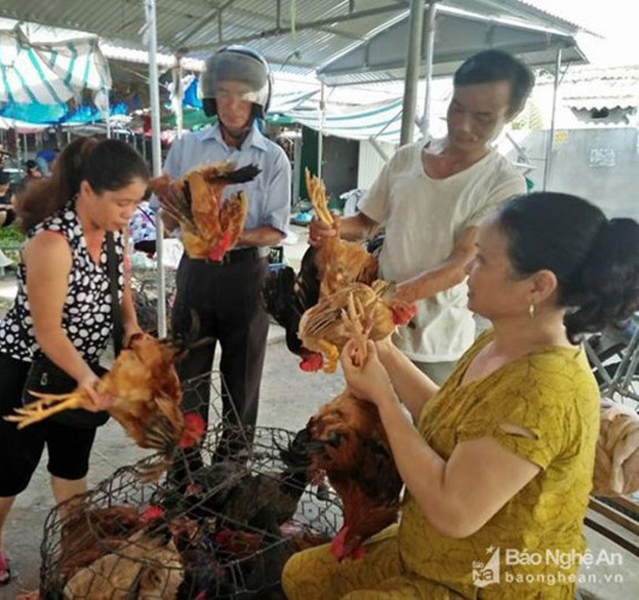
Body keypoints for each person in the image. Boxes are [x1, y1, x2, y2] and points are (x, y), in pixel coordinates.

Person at [283, 192, 639, 599]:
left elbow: (454, 512)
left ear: (538, 285)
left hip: (482, 582)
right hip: (429, 550)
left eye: (483, 260)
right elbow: (448, 416)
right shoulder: (501, 340)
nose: (468, 268)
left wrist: (384, 400)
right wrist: (384, 351)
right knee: (302, 575)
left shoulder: (543, 390)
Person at [0, 137, 147, 584]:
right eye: (122, 202)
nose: (129, 212)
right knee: (14, 463)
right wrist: (88, 380)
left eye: (135, 204)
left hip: (80, 367)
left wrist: (130, 328)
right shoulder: (52, 243)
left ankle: (75, 543)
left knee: (72, 462)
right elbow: (47, 331)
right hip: (26, 368)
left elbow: (121, 292)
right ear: (87, 190)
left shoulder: (115, 235)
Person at [309, 49, 535, 384]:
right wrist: (332, 228)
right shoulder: (407, 159)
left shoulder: (503, 183)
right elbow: (366, 222)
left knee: (425, 431)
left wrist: (386, 299)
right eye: (457, 108)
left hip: (437, 342)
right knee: (363, 425)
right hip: (374, 331)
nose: (463, 125)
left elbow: (462, 262)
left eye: (483, 117)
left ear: (511, 114)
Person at [157, 45, 291, 463]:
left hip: (246, 277)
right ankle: (185, 473)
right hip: (195, 273)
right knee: (189, 375)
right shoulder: (187, 147)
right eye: (224, 93)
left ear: (258, 98)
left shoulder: (273, 158)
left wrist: (229, 235)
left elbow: (276, 229)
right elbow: (170, 220)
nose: (233, 104)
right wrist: (171, 209)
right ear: (212, 97)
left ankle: (231, 470)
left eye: (242, 93)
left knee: (242, 376)